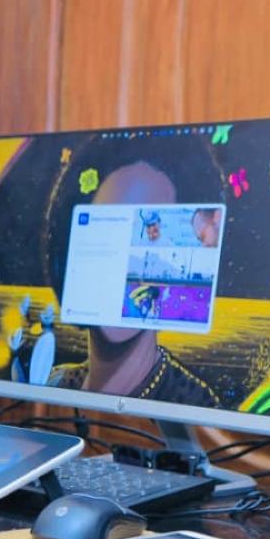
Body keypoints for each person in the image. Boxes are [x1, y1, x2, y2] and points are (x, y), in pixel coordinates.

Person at [42, 134, 222, 406]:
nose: (125, 270)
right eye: (109, 235)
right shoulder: (55, 383)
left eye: (150, 243)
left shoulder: (196, 407)